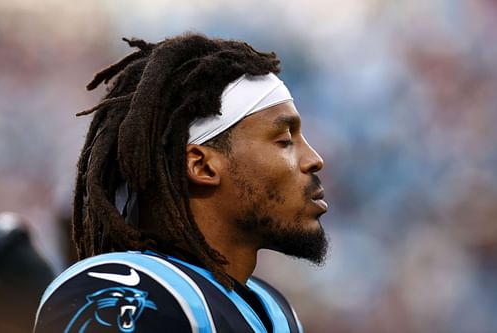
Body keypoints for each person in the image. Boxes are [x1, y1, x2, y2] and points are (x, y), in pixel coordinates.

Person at [34, 33, 328, 333]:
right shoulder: (132, 292)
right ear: (202, 165)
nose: (314, 159)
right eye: (285, 140)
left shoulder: (274, 309)